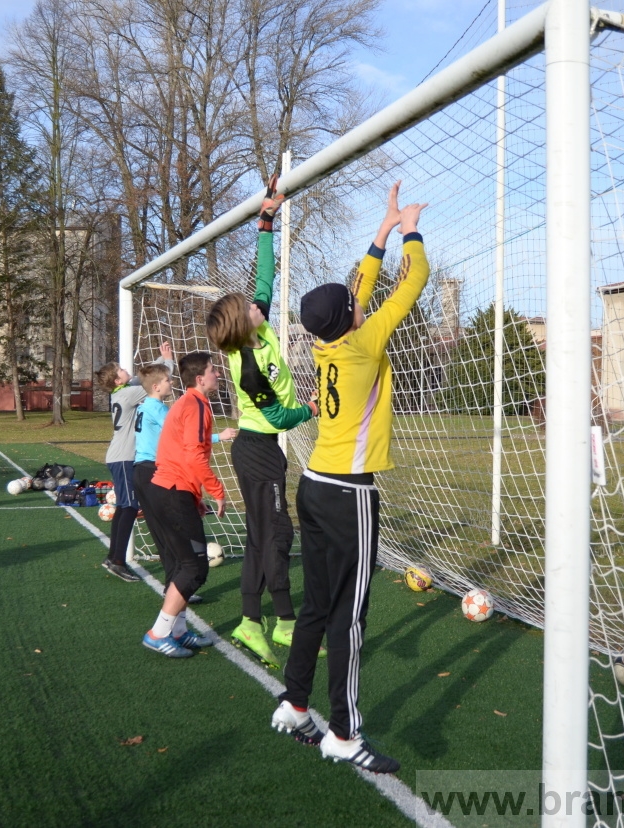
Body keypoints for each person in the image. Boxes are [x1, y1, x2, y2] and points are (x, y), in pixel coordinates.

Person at [269, 182, 428, 773]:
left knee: (316, 603)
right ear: (349, 318)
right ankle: (343, 731)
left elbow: (355, 292)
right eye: (354, 303)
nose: (359, 302)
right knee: (350, 616)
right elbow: (411, 285)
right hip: (348, 492)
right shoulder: (364, 343)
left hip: (312, 484)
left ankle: (294, 701)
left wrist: (380, 233)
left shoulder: (325, 344)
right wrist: (410, 229)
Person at [206, 175, 319, 667]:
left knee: (262, 535)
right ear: (239, 323)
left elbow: (267, 276)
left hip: (263, 449)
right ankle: (286, 621)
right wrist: (309, 410)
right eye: (245, 306)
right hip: (257, 449)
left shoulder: (260, 327)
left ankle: (251, 622)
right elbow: (276, 413)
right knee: (278, 533)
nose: (254, 302)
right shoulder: (246, 364)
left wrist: (267, 220)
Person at [140, 351, 230, 658]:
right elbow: (193, 455)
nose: (218, 374)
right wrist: (217, 490)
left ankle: (177, 631)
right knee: (194, 568)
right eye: (213, 369)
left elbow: (179, 453)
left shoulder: (189, 403)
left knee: (182, 564)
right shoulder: (194, 404)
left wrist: (195, 496)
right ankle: (158, 633)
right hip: (170, 491)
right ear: (200, 378)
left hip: (170, 490)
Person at [95, 343, 175, 582]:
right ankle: (117, 560)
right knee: (129, 507)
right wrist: (168, 361)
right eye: (120, 369)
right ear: (118, 380)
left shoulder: (122, 391)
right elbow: (154, 383)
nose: (124, 369)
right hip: (123, 458)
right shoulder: (129, 393)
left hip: (121, 456)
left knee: (125, 507)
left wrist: (161, 356)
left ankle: (113, 557)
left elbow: (145, 377)